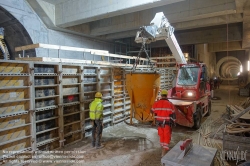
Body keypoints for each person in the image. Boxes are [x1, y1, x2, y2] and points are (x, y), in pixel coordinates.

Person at [151, 89, 176, 157]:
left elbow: (152, 111)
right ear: (167, 95)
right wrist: (174, 122)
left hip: (159, 124)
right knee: (166, 136)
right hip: (167, 124)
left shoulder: (156, 103)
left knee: (161, 136)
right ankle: (164, 152)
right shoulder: (170, 104)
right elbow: (173, 115)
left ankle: (163, 148)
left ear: (161, 95)